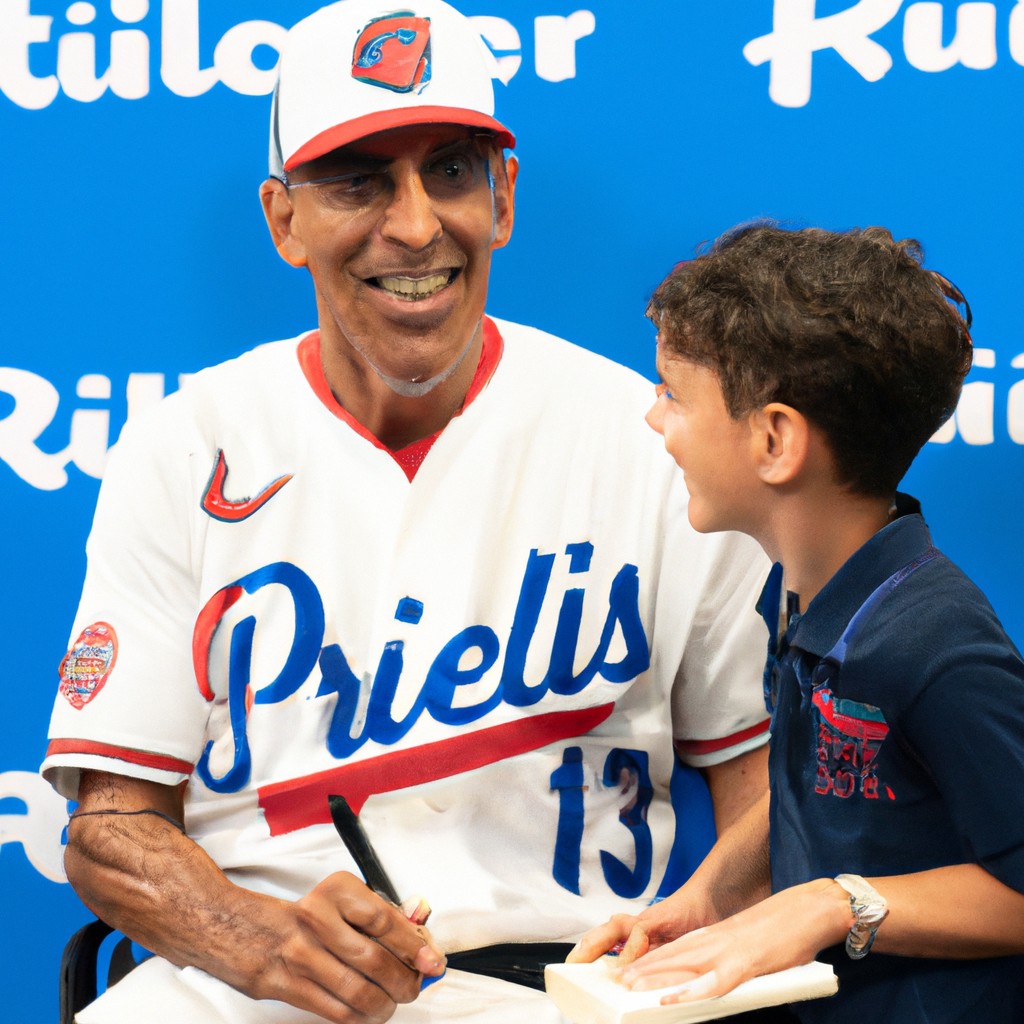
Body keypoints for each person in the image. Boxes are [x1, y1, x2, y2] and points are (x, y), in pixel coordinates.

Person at [40, 3, 775, 1022]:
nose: (417, 223)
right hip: (252, 982)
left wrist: (710, 927)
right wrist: (253, 940)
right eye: (358, 181)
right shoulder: (185, 445)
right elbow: (109, 829)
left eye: (451, 171)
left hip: (574, 980)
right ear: (284, 219)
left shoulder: (649, 438)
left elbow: (773, 782)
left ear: (504, 197)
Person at [568, 224, 1024, 1022]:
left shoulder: (936, 648)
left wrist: (829, 906)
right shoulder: (796, 595)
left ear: (775, 440)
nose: (651, 419)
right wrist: (713, 894)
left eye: (674, 394)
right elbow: (822, 785)